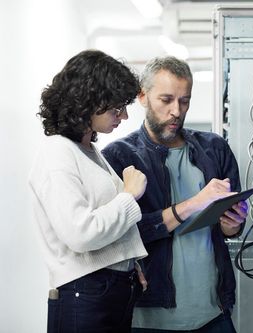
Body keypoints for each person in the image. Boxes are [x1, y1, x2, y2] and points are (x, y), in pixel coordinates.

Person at [102, 56, 248, 333]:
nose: (176, 111)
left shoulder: (215, 148)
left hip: (213, 312)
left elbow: (232, 226)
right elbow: (120, 236)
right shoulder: (119, 156)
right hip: (150, 318)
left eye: (184, 101)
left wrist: (233, 225)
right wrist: (195, 203)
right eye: (166, 100)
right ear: (142, 97)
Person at [29, 49, 149, 333]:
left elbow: (104, 223)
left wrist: (129, 262)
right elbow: (80, 233)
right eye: (115, 108)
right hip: (85, 293)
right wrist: (129, 195)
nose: (123, 115)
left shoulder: (88, 150)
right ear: (86, 102)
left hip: (107, 288)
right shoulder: (57, 153)